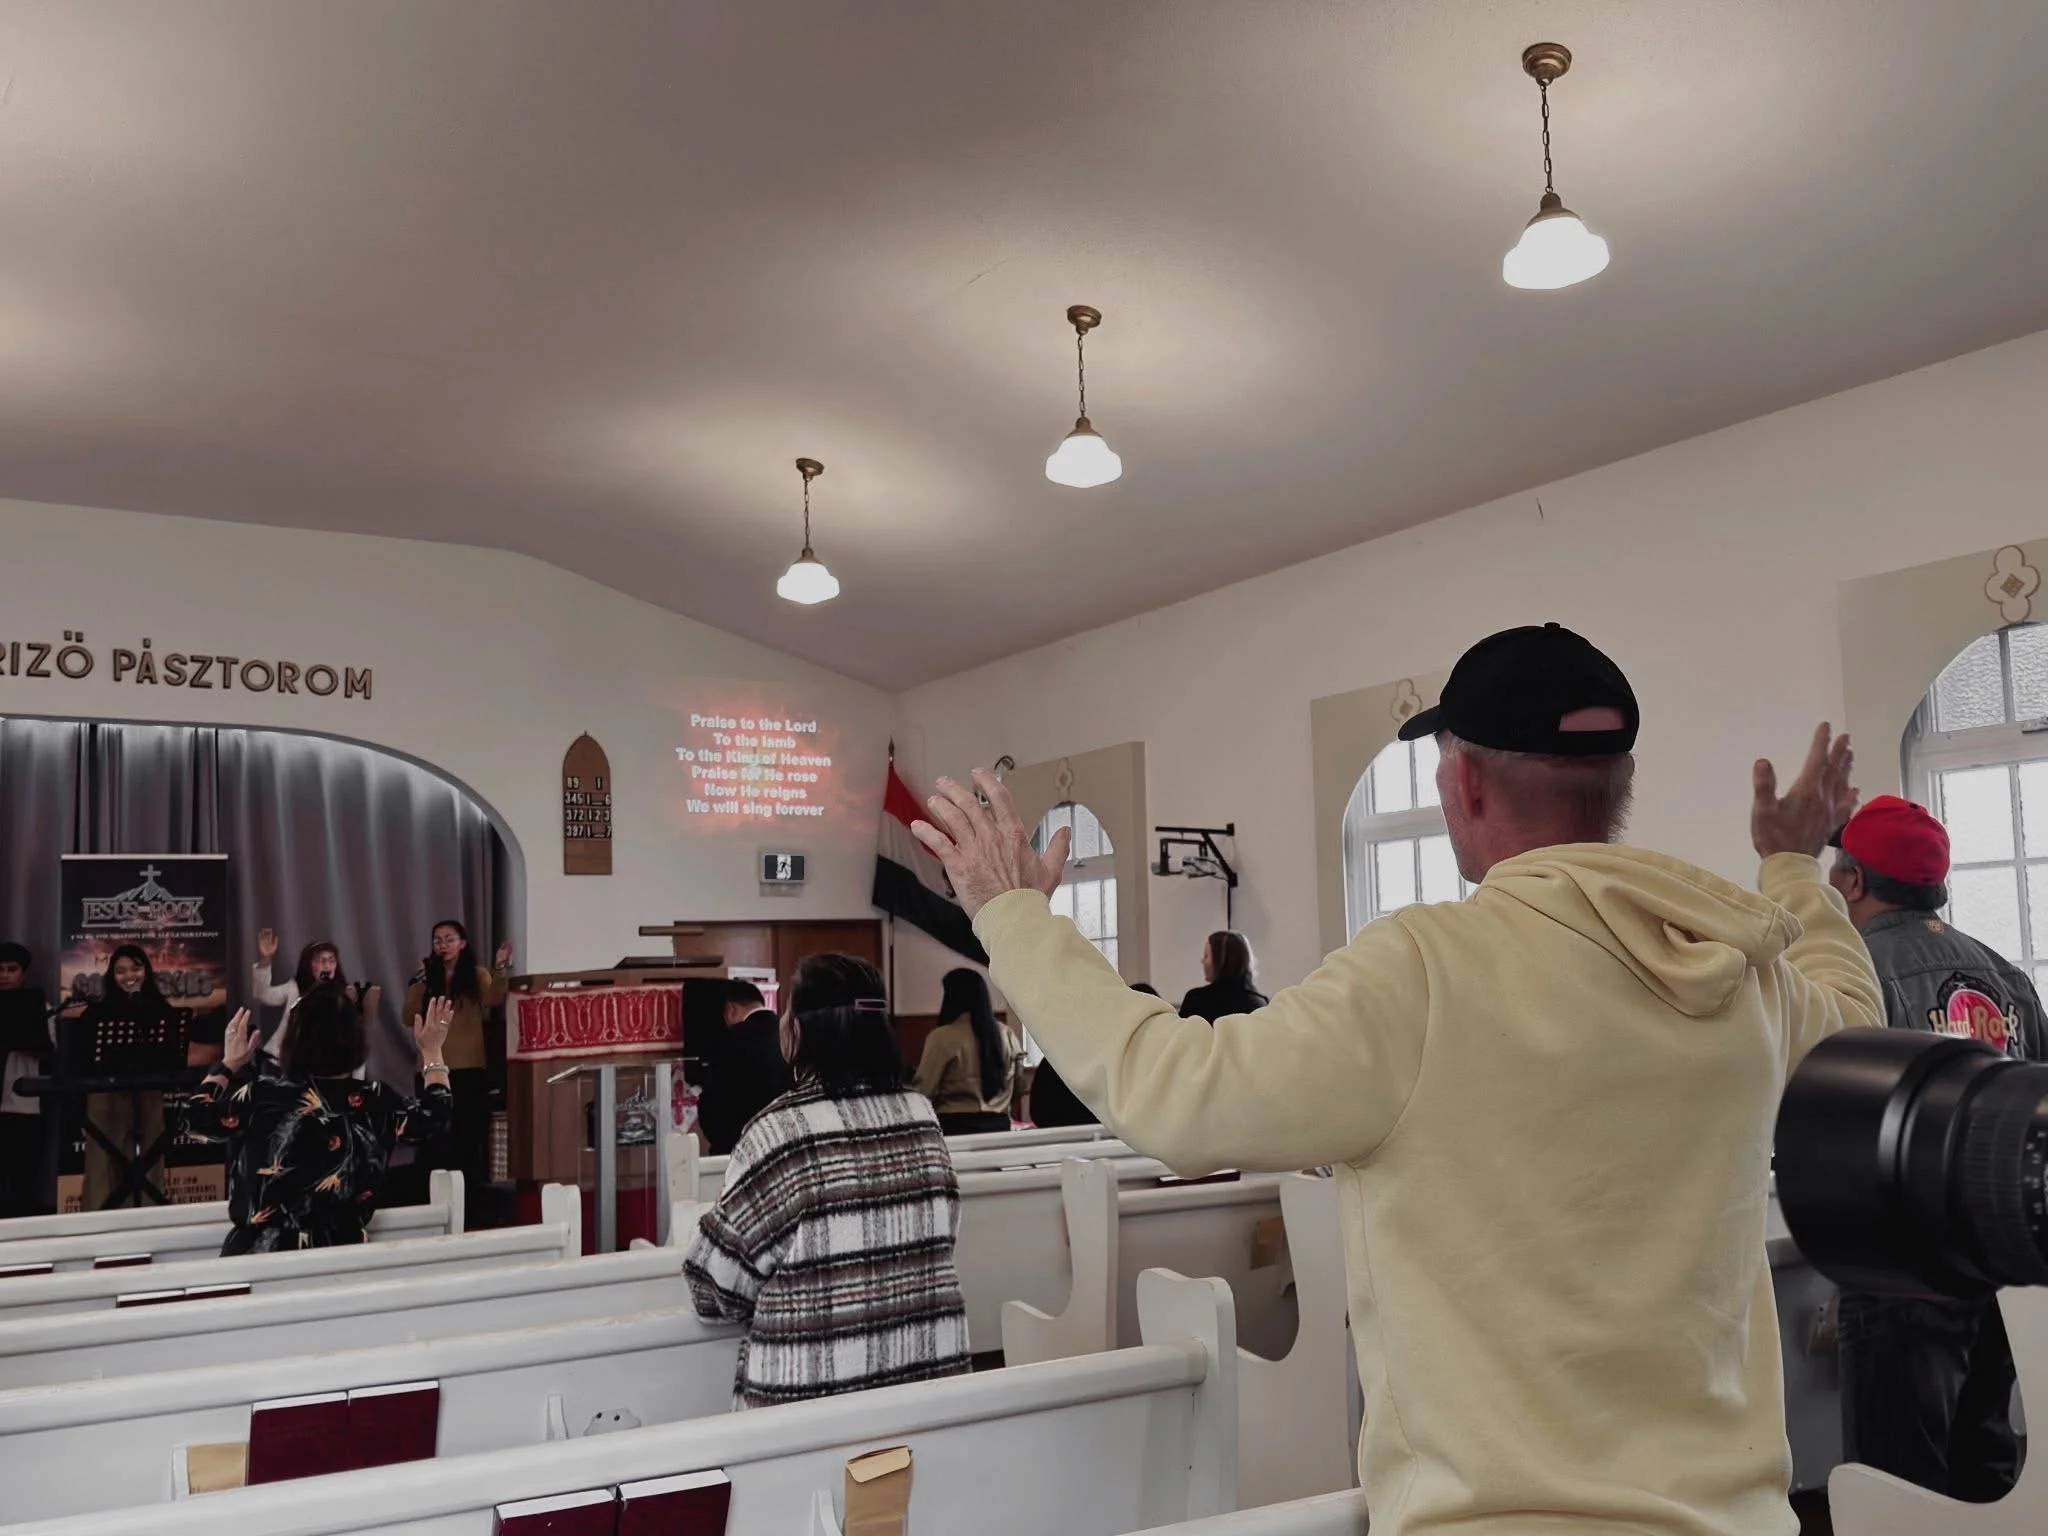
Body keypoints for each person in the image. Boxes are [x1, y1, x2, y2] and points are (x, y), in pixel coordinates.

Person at [912, 621, 1883, 1536]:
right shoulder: (1739, 973)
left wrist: (1014, 917)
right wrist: (1792, 866)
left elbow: (1176, 1092)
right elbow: (1854, 1027)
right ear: (1618, 781)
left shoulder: (1425, 969)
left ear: (1460, 783)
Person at [1826, 794, 2038, 1502]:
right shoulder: (2005, 974)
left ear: (1854, 881)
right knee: (1989, 1472)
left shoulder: (1853, 973)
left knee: (1899, 1485)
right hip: (2001, 1262)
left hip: (1901, 1263)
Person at [683, 953, 969, 1409]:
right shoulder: (921, 1117)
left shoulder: (779, 1131)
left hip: (810, 1408)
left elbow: (714, 1286)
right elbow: (945, 1233)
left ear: (800, 1031)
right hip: (923, 1394)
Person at [179, 988, 455, 1253]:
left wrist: (227, 1065)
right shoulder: (375, 1100)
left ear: (294, 1040)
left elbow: (194, 1119)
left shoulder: (263, 1095)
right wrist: (432, 1052)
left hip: (259, 1259)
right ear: (354, 1039)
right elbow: (436, 1114)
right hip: (340, 1265)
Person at [400, 920, 509, 1218]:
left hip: (469, 1066)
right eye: (437, 940)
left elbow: (494, 998)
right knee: (432, 1133)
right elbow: (408, 1016)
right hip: (431, 1066)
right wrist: (417, 983)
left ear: (463, 943)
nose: (443, 945)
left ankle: (469, 1198)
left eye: (449, 939)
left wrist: (500, 968)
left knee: (467, 1132)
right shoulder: (427, 977)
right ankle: (428, 1199)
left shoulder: (476, 975)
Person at [73, 945, 190, 1210]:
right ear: (111, 976)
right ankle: (98, 1224)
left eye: (136, 968)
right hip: (104, 1097)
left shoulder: (162, 1011)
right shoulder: (95, 1013)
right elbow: (81, 1062)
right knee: (101, 1163)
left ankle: (148, 1220)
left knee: (151, 1159)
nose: (129, 976)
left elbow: (172, 1056)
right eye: (121, 971)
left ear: (147, 972)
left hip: (148, 1094)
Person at [1026, 981, 1152, 1131]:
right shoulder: (1129, 1064)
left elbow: (1039, 1112)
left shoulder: (1058, 1056)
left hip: (1060, 1141)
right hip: (1106, 1142)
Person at [913, 968, 1024, 1134]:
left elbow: (924, 1090)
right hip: (999, 1126)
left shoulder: (941, 1037)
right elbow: (1020, 1087)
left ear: (951, 998)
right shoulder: (1007, 1034)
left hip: (954, 1127)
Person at [250, 929, 381, 1069]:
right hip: (280, 1064)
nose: (327, 965)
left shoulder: (343, 997)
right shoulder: (295, 988)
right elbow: (263, 994)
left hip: (320, 1070)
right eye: (320, 960)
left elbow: (354, 1043)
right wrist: (265, 959)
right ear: (309, 965)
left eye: (331, 960)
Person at [694, 979, 793, 1156]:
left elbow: (712, 1107)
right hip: (786, 1147)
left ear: (731, 1009)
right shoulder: (792, 1033)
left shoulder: (727, 1040)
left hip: (740, 1151)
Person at [0, 942, 53, 1216]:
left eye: (11, 969)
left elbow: (50, 1052)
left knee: (22, 1178)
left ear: (23, 973)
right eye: (0, 969)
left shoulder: (39, 1008)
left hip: (21, 1104)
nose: (4, 975)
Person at [1178, 931, 1269, 1022]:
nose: (1202, 961)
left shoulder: (1196, 999)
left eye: (1206, 956)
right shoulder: (1261, 1003)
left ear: (1220, 960)